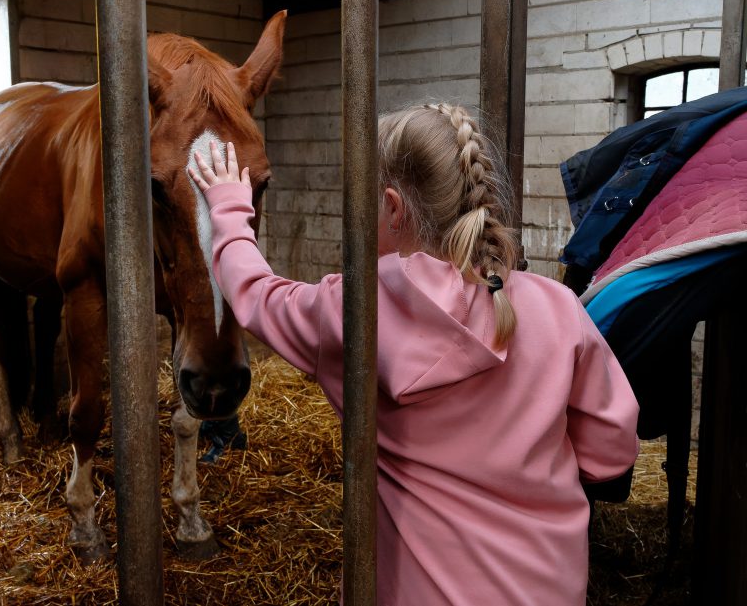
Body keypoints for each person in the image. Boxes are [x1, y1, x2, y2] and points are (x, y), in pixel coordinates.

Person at [187, 103, 639, 606]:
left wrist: (228, 205)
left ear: (394, 207)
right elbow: (610, 456)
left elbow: (255, 295)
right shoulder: (557, 307)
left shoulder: (353, 312)